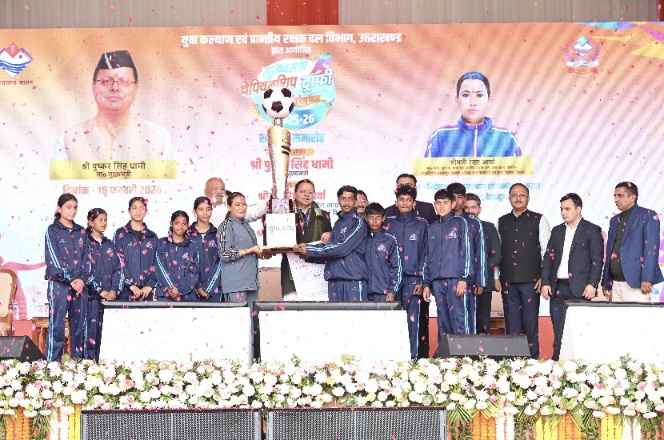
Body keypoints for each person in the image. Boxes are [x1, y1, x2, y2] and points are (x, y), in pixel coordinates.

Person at [53, 50, 173, 161]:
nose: (115, 88)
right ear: (94, 87)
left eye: (124, 82)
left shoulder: (159, 139)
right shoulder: (68, 141)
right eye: (106, 81)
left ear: (136, 88)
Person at [541, 193, 604, 360]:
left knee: (580, 332)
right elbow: (548, 258)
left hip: (580, 289)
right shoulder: (557, 230)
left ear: (578, 209)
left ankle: (581, 366)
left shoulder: (592, 230)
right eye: (561, 209)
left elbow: (597, 260)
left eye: (567, 209)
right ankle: (558, 366)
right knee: (558, 332)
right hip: (557, 289)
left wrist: (592, 284)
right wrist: (546, 282)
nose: (563, 213)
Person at [497, 183, 550, 359]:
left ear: (528, 198)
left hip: (531, 282)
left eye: (522, 195)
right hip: (508, 281)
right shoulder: (502, 221)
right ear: (509, 198)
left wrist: (544, 277)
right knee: (511, 323)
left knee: (530, 323)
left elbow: (547, 251)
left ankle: (532, 362)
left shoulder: (539, 219)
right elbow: (497, 251)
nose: (518, 198)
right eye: (514, 195)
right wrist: (496, 276)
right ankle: (512, 362)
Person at [384, 173, 434, 358]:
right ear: (396, 202)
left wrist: (423, 281)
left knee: (413, 324)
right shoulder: (387, 224)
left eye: (408, 200)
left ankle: (412, 361)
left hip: (413, 281)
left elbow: (426, 254)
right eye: (401, 200)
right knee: (390, 321)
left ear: (414, 203)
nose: (405, 203)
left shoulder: (422, 224)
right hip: (390, 281)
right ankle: (391, 361)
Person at [296, 185, 368, 302]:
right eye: (343, 199)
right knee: (335, 314)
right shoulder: (338, 223)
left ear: (355, 202)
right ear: (338, 201)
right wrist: (307, 256)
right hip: (334, 280)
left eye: (350, 199)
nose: (346, 203)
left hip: (353, 280)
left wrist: (309, 249)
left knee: (356, 314)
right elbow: (331, 253)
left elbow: (342, 248)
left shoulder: (358, 223)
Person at [425, 71, 521, 158]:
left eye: (479, 95)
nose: (473, 102)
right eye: (466, 95)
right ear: (457, 99)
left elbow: (521, 171)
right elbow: (425, 171)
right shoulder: (440, 137)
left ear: (489, 100)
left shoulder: (506, 138)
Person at [44, 193, 88, 362]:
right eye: (68, 207)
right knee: (57, 326)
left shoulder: (82, 232)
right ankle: (52, 366)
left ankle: (78, 366)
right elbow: (53, 260)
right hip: (59, 285)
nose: (72, 211)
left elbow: (88, 259)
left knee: (79, 327)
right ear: (59, 209)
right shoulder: (52, 230)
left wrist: (81, 280)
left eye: (75, 207)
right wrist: (71, 279)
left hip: (80, 286)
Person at [602, 182, 663, 302]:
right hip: (616, 283)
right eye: (615, 196)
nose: (616, 199)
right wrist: (606, 281)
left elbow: (651, 249)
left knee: (636, 315)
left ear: (632, 197)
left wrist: (647, 278)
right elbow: (610, 251)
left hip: (637, 283)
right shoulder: (614, 220)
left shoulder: (648, 215)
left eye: (620, 195)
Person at [423, 189, 471, 340]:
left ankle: (464, 354)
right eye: (438, 203)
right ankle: (445, 355)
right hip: (437, 281)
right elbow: (426, 256)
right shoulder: (431, 228)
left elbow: (466, 251)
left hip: (455, 279)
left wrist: (463, 278)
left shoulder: (460, 223)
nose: (441, 206)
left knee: (459, 320)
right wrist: (426, 284)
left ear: (453, 204)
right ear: (434, 204)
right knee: (443, 322)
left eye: (445, 203)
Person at [281, 179, 332, 300]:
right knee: (291, 305)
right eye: (302, 191)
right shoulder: (285, 214)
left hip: (316, 268)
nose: (306, 195)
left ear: (314, 194)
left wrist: (330, 234)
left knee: (316, 307)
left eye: (310, 192)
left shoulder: (323, 215)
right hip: (291, 268)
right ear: (295, 194)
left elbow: (331, 242)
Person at [447, 183, 486, 335]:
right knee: (446, 322)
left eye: (460, 197)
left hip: (468, 280)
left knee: (466, 320)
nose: (456, 201)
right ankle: (446, 351)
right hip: (445, 279)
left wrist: (480, 280)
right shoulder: (440, 222)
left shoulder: (473, 223)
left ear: (464, 199)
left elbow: (480, 252)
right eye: (453, 197)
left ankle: (468, 351)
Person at [84, 208, 121, 361]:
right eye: (100, 220)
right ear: (91, 222)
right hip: (91, 299)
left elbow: (119, 268)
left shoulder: (110, 244)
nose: (104, 223)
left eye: (105, 220)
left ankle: (103, 369)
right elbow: (84, 270)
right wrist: (100, 291)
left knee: (107, 336)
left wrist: (114, 290)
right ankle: (88, 367)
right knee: (89, 335)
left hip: (110, 300)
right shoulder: (85, 243)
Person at [464, 193, 502, 335]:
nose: (470, 211)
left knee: (482, 324)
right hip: (462, 283)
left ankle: (482, 350)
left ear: (479, 209)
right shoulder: (457, 227)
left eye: (473, 207)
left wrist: (478, 271)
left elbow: (496, 256)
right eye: (466, 207)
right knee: (463, 323)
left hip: (484, 282)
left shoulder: (488, 227)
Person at [218, 192, 263, 307]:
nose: (242, 208)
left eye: (244, 204)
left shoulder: (247, 226)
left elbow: (252, 251)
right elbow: (224, 254)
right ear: (229, 207)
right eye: (237, 205)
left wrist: (263, 253)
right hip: (236, 284)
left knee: (253, 317)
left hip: (251, 283)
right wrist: (250, 250)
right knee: (238, 317)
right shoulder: (226, 226)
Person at [113, 197, 158, 301]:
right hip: (126, 290)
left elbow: (157, 263)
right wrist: (131, 285)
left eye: (141, 208)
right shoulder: (120, 234)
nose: (138, 211)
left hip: (147, 292)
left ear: (146, 211)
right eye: (134, 208)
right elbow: (118, 261)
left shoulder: (152, 236)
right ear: (129, 210)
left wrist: (149, 286)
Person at [155, 211, 200, 302]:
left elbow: (194, 272)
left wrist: (179, 289)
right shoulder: (161, 243)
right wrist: (172, 290)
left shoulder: (192, 246)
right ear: (171, 223)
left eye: (184, 224)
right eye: (177, 223)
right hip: (165, 295)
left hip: (187, 297)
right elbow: (159, 268)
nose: (180, 226)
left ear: (188, 225)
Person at [364, 203, 402, 302]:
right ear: (366, 218)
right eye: (371, 217)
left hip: (383, 292)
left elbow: (396, 267)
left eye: (378, 217)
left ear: (383, 218)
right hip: (363, 291)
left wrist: (392, 291)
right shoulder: (361, 239)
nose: (374, 221)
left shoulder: (389, 240)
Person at [188, 197, 222, 301]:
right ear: (194, 211)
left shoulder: (218, 234)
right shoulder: (187, 235)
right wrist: (197, 286)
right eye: (201, 209)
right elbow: (184, 263)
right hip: (191, 290)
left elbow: (220, 262)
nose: (205, 213)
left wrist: (209, 288)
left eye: (208, 209)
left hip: (214, 290)